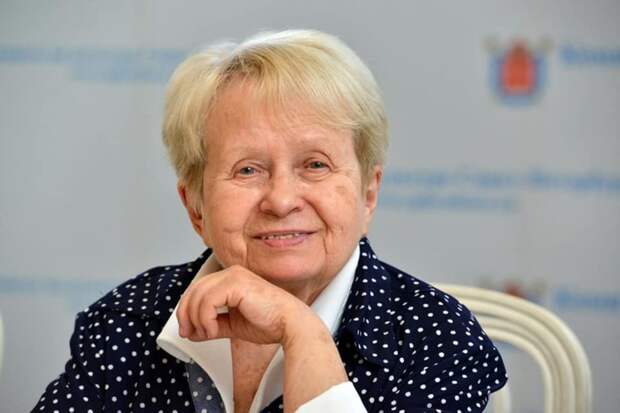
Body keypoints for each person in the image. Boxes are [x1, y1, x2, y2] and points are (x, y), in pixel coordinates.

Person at [33, 29, 507, 413]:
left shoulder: (435, 337)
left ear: (368, 195)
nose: (281, 200)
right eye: (248, 170)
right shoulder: (129, 318)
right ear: (195, 205)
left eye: (315, 164)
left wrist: (303, 334)